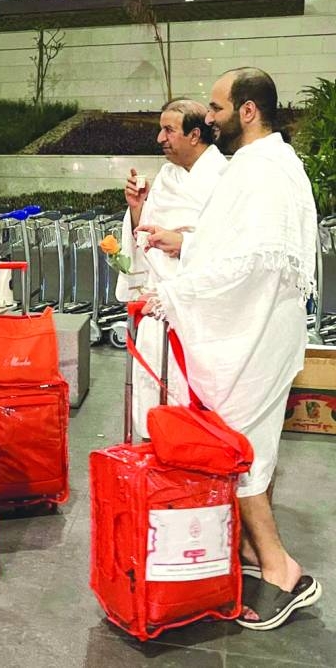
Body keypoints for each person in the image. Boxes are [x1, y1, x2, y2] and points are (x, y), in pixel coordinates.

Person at [140, 68, 321, 630]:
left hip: (256, 329)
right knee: (241, 450)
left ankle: (282, 571)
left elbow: (253, 264)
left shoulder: (266, 169)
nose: (209, 118)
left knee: (239, 454)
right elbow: (229, 248)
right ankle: (249, 555)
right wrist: (186, 252)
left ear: (247, 110)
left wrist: (177, 293)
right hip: (254, 326)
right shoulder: (257, 163)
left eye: (216, 108)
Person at [117, 99, 227, 437]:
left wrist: (184, 242)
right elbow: (145, 235)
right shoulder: (167, 176)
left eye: (169, 130)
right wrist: (138, 209)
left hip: (204, 306)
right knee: (154, 387)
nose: (160, 138)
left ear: (194, 135)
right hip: (160, 301)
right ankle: (156, 442)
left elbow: (234, 244)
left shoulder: (226, 178)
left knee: (200, 398)